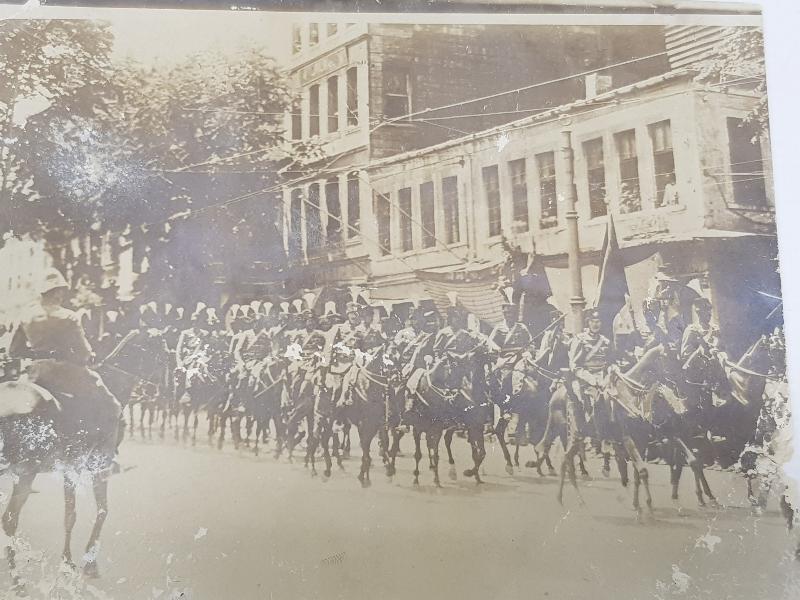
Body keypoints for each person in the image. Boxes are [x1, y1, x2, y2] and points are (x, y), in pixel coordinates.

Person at [8, 268, 122, 470]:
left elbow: (14, 351)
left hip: (34, 375)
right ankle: (105, 457)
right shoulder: (68, 316)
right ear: (57, 292)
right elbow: (84, 352)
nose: (62, 295)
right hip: (64, 374)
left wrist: (37, 354)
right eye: (61, 291)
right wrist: (87, 357)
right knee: (111, 405)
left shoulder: (25, 316)